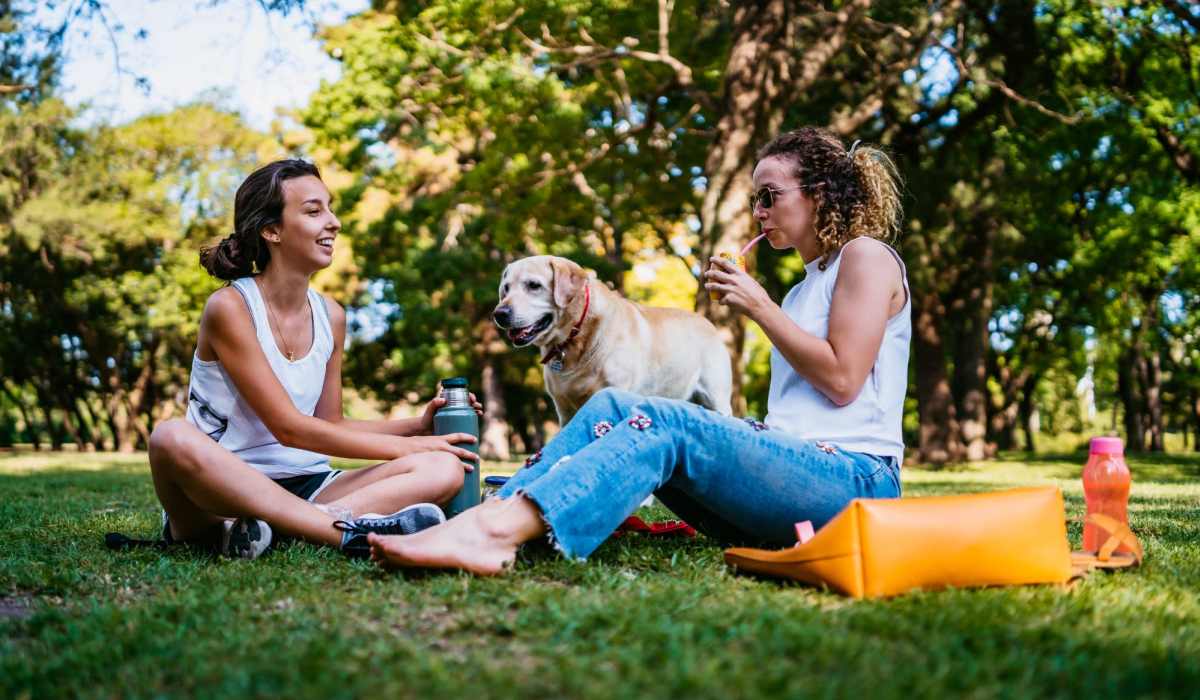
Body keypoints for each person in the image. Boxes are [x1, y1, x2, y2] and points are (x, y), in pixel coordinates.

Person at [368, 126, 909, 575]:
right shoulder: (802, 289)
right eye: (753, 200)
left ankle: (491, 534)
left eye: (770, 196)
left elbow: (843, 380)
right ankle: (483, 518)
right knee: (609, 406)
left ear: (819, 192)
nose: (759, 212)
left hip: (854, 483)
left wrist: (759, 307)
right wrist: (772, 306)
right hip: (791, 489)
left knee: (664, 421)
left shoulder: (864, 256)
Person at [147, 159, 482, 559]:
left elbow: (329, 423)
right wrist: (407, 449)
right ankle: (341, 531)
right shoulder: (231, 307)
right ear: (271, 231)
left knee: (442, 469)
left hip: (310, 483)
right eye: (313, 211)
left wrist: (416, 429)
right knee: (169, 436)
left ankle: (278, 530)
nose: (334, 222)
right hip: (219, 491)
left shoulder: (332, 316)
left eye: (330, 207)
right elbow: (289, 428)